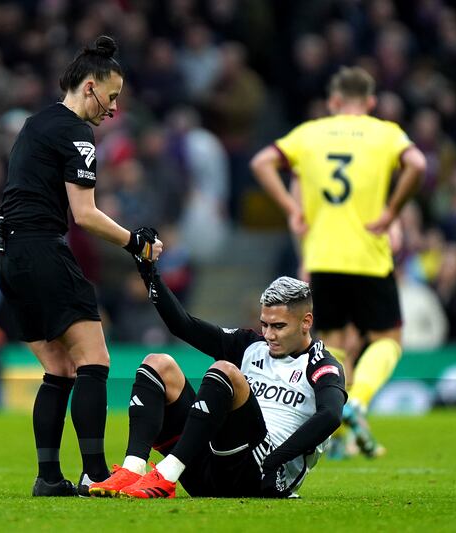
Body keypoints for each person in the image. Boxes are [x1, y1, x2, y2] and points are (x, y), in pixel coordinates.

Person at [0, 35, 164, 497]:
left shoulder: (35, 123)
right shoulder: (76, 131)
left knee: (58, 369)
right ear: (89, 87)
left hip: (8, 255)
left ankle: (49, 478)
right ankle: (95, 473)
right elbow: (85, 214)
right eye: (111, 97)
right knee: (94, 360)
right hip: (42, 250)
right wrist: (135, 242)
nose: (113, 109)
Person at [250, 66, 425, 457]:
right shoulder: (385, 133)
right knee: (387, 339)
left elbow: (262, 161)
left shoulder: (309, 135)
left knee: (335, 342)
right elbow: (418, 165)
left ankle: (337, 430)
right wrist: (393, 212)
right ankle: (356, 402)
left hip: (322, 257)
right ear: (371, 103)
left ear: (332, 102)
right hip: (368, 255)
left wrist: (290, 209)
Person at [89, 264, 346, 498]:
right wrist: (150, 274)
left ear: (306, 322)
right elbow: (183, 326)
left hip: (261, 475)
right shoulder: (251, 346)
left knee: (224, 370)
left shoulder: (322, 365)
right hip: (211, 469)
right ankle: (133, 468)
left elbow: (331, 415)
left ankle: (167, 475)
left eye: (278, 326)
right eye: (264, 325)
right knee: (157, 364)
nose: (268, 335)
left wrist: (276, 461)